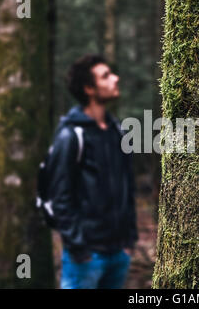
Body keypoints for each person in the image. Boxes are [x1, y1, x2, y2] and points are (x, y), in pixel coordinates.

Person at [48, 54, 138, 289]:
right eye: (106, 76)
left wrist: (129, 241)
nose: (115, 79)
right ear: (89, 88)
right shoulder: (71, 135)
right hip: (86, 257)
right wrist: (79, 247)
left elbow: (127, 187)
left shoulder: (117, 131)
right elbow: (59, 197)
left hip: (118, 253)